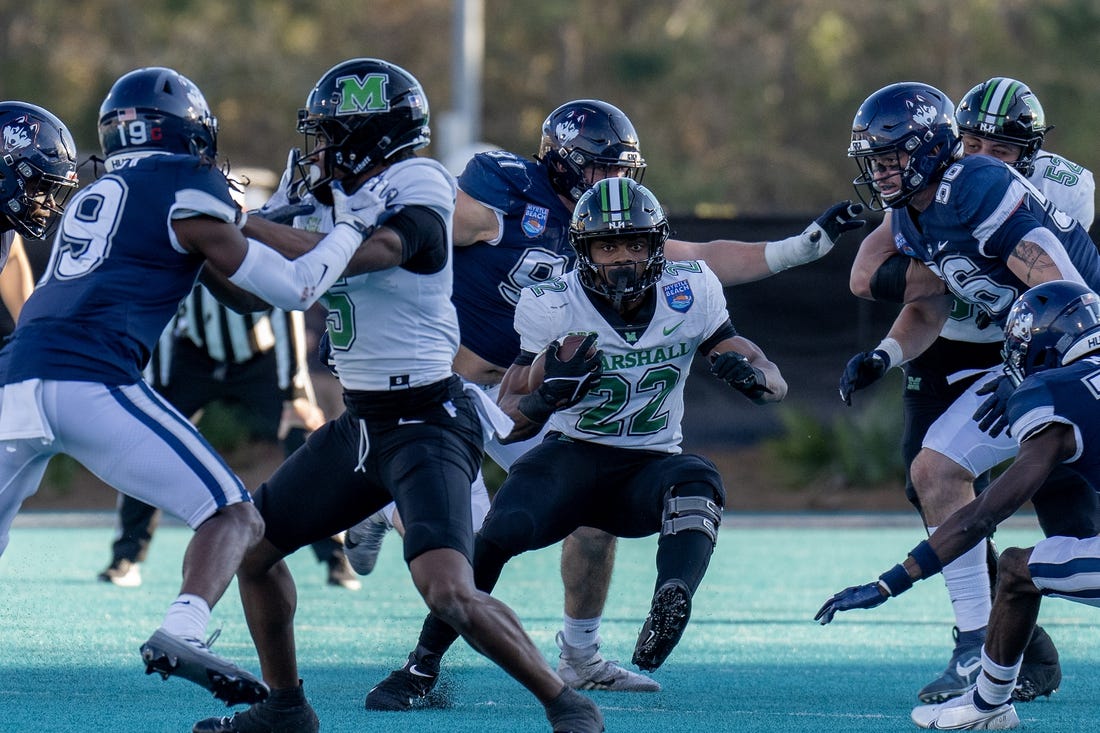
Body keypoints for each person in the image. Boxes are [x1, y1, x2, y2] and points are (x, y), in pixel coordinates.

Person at [354, 97, 866, 702]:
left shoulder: (644, 250)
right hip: (458, 385)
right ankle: (390, 514)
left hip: (571, 413)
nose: (617, 187)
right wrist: (334, 246)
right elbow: (416, 231)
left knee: (591, 523)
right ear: (565, 164)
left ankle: (581, 656)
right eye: (604, 169)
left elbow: (704, 261)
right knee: (469, 539)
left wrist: (799, 251)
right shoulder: (508, 208)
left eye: (626, 172)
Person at [191, 57, 605, 733]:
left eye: (330, 133)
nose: (316, 148)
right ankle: (287, 707)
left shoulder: (419, 180)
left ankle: (567, 702)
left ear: (370, 136)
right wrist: (207, 247)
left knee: (449, 590)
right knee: (257, 553)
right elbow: (248, 293)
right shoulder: (323, 190)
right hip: (361, 423)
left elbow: (381, 248)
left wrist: (245, 224)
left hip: (428, 418)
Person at [0, 65, 385, 707]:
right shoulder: (188, 179)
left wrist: (244, 229)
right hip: (93, 379)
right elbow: (294, 288)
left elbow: (231, 291)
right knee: (233, 514)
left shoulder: (98, 194)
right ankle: (184, 628)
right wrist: (350, 229)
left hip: (15, 382)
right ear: (188, 132)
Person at [839, 79, 1098, 704]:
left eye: (891, 158)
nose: (881, 172)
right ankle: (976, 648)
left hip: (1075, 346)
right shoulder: (913, 210)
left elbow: (1054, 280)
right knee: (933, 470)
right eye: (873, 161)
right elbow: (928, 306)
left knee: (1073, 510)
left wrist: (1053, 367)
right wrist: (884, 354)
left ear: (929, 149)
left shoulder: (977, 185)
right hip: (1029, 353)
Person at [817, 280, 1100, 730]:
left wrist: (892, 582)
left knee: (1015, 569)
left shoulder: (1053, 393)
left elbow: (984, 513)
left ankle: (987, 709)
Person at [96, 282, 360, 590]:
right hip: (194, 356)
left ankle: (336, 555)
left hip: (259, 356)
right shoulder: (185, 239)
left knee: (302, 433)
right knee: (148, 441)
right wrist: (157, 387)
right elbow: (165, 309)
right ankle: (127, 555)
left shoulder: (251, 242)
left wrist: (295, 392)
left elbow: (285, 312)